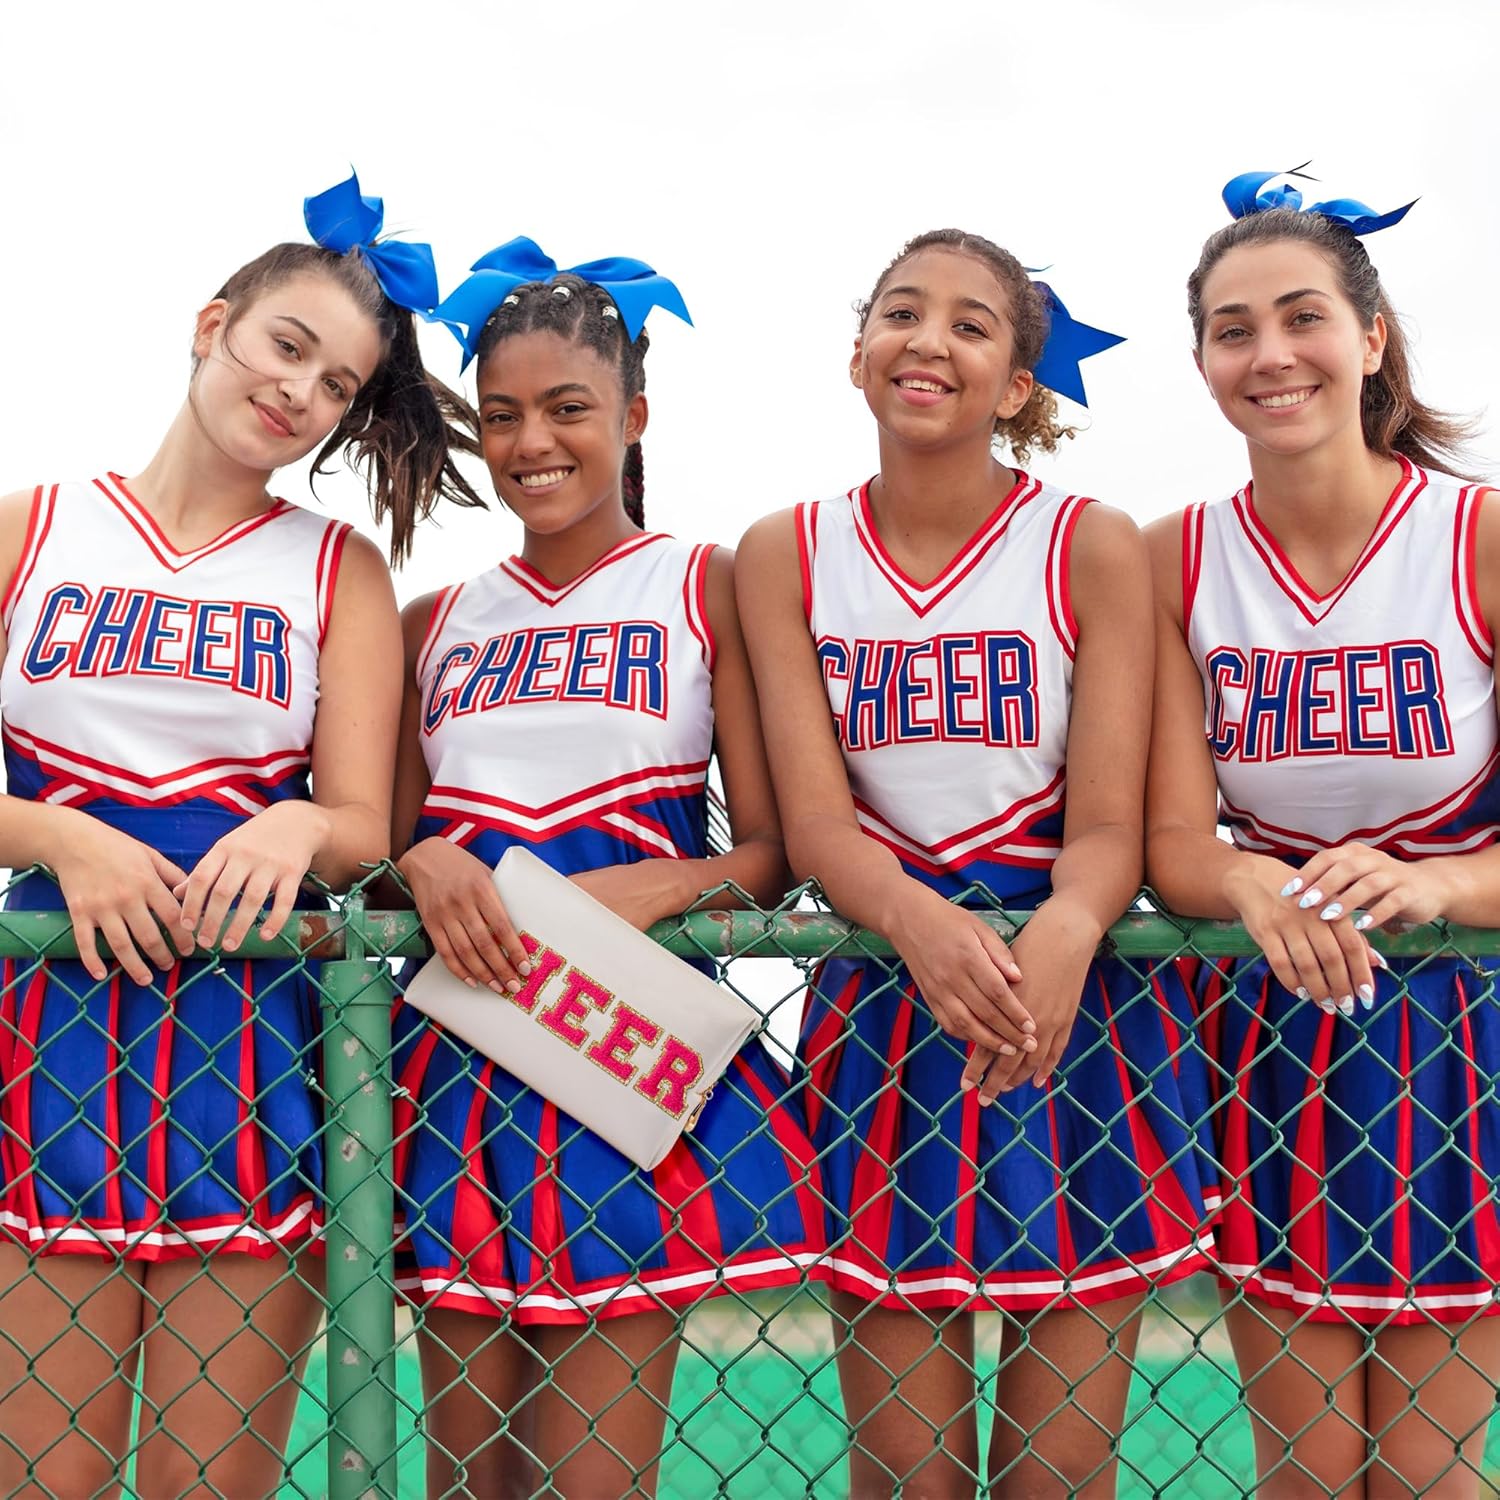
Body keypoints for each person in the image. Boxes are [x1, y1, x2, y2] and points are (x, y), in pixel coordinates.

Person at [0, 172, 481, 1496]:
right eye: (287, 345)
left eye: (336, 384)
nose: (300, 391)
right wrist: (59, 837)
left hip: (248, 1038)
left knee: (207, 1484)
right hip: (44, 1028)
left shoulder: (336, 568)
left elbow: (363, 823)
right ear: (213, 323)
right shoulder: (32, 528)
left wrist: (299, 827)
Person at [736, 229, 1216, 1497]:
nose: (929, 341)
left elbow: (1107, 827)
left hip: (1076, 1003)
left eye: (971, 324)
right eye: (902, 312)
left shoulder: (1090, 541)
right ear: (857, 354)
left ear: (1016, 383)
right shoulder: (786, 549)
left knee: (1060, 1477)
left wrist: (1065, 929)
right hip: (890, 994)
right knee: (908, 1478)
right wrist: (916, 924)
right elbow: (817, 824)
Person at [388, 241, 825, 1499]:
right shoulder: (433, 620)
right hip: (465, 1040)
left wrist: (658, 886)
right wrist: (425, 859)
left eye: (568, 408)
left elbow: (773, 855)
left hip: (618, 1032)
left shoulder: (709, 583)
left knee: (594, 1478)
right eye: (503, 415)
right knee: (468, 1475)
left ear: (634, 416)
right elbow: (379, 850)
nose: (533, 442)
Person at [1146, 169, 1500, 1497]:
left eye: (1303, 317)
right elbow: (1171, 840)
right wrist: (1250, 884)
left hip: (1466, 1030)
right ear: (1202, 364)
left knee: (1424, 1472)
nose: (1271, 354)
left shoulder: (1475, 538)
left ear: (1372, 338)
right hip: (1276, 1023)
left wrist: (1441, 883)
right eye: (1233, 331)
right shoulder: (1176, 556)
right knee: (1305, 1469)